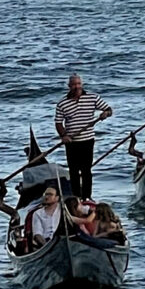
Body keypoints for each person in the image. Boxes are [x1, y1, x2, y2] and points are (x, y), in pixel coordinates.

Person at [54, 74, 112, 204]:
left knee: (86, 170)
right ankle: (76, 198)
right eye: (74, 84)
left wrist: (105, 114)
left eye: (79, 84)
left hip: (87, 140)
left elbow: (109, 109)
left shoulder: (92, 98)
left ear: (82, 84)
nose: (77, 87)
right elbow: (58, 123)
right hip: (72, 142)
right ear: (69, 86)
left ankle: (87, 197)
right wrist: (64, 135)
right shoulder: (62, 103)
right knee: (74, 171)